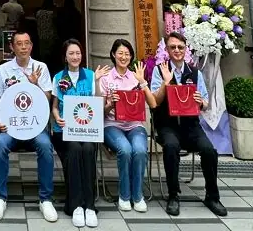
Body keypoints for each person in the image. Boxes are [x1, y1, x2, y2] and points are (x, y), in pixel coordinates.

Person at [151, 31, 227, 218]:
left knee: (209, 150)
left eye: (180, 47)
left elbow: (206, 103)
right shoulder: (159, 70)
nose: (177, 50)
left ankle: (212, 196)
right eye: (173, 47)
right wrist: (166, 83)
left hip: (191, 125)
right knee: (170, 146)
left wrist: (201, 100)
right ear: (167, 50)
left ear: (186, 50)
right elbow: (154, 101)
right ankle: (173, 195)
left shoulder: (194, 72)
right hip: (167, 125)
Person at [0, 30, 58, 223]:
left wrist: (35, 85)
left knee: (46, 146)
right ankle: (0, 197)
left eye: (27, 43)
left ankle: (45, 199)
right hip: (11, 126)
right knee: (0, 145)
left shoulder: (41, 67)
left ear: (31, 46)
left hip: (35, 126)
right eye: (19, 44)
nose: (23, 47)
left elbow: (47, 99)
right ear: (12, 47)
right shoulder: (3, 70)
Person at [52, 39, 110, 228]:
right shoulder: (58, 77)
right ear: (65, 57)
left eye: (78, 53)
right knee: (75, 149)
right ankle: (75, 205)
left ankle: (90, 206)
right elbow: (54, 107)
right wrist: (57, 117)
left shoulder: (91, 76)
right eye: (71, 53)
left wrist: (99, 82)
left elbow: (99, 104)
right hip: (65, 131)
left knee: (87, 150)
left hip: (87, 131)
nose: (75, 57)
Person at [99, 39, 157, 213]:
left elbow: (153, 104)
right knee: (125, 150)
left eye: (127, 54)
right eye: (120, 53)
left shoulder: (135, 77)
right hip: (111, 124)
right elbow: (100, 111)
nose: (124, 57)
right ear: (113, 55)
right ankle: (124, 196)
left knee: (139, 150)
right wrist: (110, 105)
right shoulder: (105, 78)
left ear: (131, 57)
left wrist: (143, 82)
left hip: (134, 125)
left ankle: (137, 196)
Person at [36, 0, 59, 71]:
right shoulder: (52, 13)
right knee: (50, 54)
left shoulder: (39, 13)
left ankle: (42, 68)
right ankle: (50, 68)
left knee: (42, 54)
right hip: (50, 35)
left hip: (41, 35)